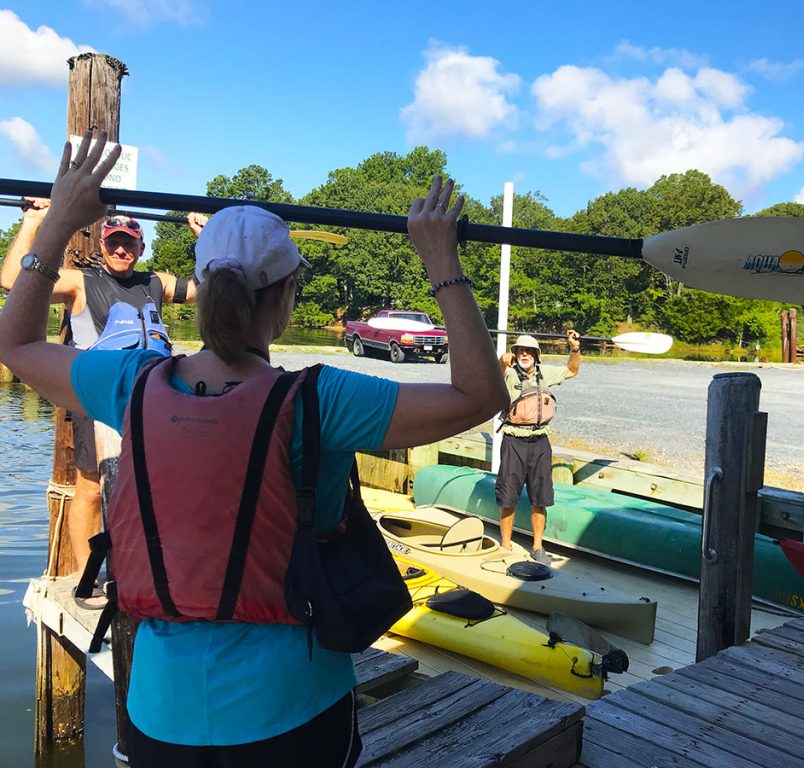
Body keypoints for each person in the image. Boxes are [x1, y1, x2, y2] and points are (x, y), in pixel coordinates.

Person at [0, 131, 507, 767]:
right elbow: (479, 394)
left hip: (161, 716)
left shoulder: (132, 383)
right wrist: (442, 262)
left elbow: (14, 345)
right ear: (287, 297)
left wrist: (57, 223)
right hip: (293, 709)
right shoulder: (323, 400)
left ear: (204, 292)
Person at [1, 197, 206, 607]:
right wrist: (33, 223)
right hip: (94, 399)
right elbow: (12, 279)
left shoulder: (155, 283)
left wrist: (206, 240)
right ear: (101, 244)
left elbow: (209, 291)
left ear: (141, 248)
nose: (120, 250)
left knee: (156, 486)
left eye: (129, 243)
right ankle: (86, 577)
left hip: (151, 399)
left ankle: (152, 571)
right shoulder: (79, 282)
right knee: (91, 489)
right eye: (113, 241)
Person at [495, 329, 581, 565]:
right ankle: (505, 545)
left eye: (528, 351)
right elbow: (492, 378)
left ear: (536, 355)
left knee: (540, 498)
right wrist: (500, 362)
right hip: (514, 441)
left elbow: (572, 370)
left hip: (540, 442)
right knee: (508, 496)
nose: (524, 354)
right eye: (520, 351)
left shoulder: (546, 374)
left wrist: (574, 349)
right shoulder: (509, 374)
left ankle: (538, 547)